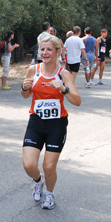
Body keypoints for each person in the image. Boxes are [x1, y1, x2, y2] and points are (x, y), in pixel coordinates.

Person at [21, 35, 81, 210]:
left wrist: (63, 89)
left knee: (49, 166)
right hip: (36, 122)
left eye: (49, 49)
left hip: (57, 125)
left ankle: (49, 194)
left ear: (57, 52)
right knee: (29, 165)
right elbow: (26, 95)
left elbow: (77, 101)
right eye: (42, 49)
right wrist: (24, 87)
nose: (45, 53)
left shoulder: (64, 74)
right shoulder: (33, 70)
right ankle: (38, 181)